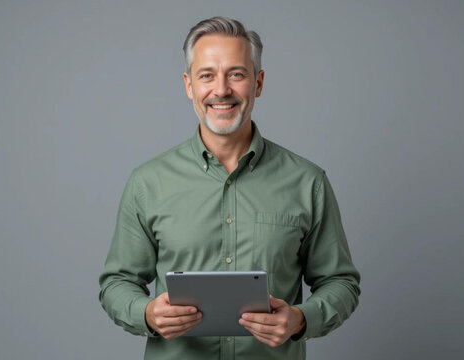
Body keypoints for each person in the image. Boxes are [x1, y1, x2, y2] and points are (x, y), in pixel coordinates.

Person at [99, 16, 360, 360]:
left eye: (236, 74)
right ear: (189, 85)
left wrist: (300, 319)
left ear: (259, 83)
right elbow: (116, 284)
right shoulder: (148, 183)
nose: (221, 90)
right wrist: (146, 313)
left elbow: (341, 283)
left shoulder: (307, 182)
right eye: (206, 75)